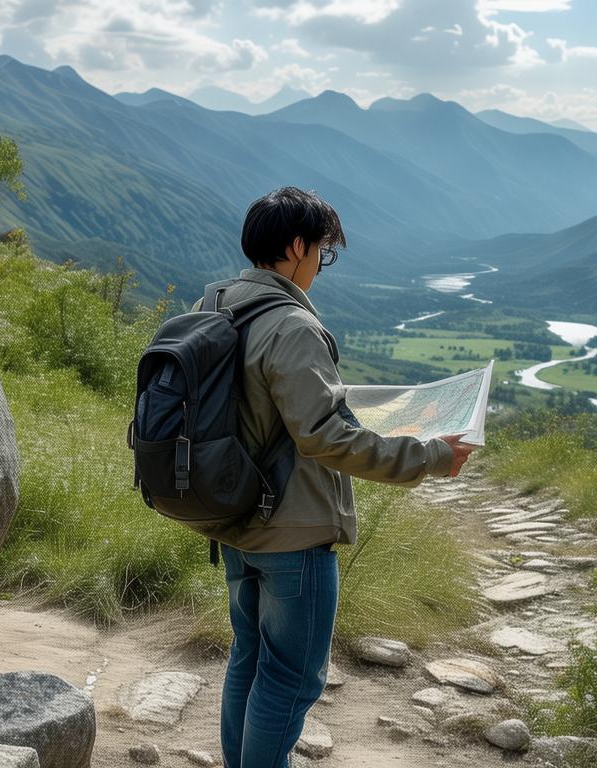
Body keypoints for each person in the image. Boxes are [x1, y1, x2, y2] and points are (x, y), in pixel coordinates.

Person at [188, 186, 474, 768]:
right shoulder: (291, 324)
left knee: (249, 659)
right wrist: (431, 456)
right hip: (293, 531)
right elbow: (325, 438)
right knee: (291, 680)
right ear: (297, 247)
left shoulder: (214, 303)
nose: (322, 263)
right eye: (323, 250)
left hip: (234, 517)